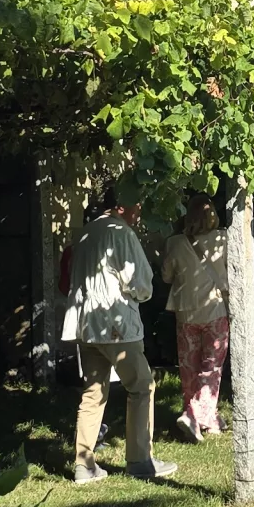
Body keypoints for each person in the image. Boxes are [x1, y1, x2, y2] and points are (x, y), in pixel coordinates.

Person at [62, 185, 177, 483]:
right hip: (115, 324)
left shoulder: (85, 232)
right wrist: (141, 293)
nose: (139, 212)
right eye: (136, 206)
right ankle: (140, 460)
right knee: (141, 386)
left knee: (93, 392)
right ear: (121, 207)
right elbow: (140, 281)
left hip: (85, 323)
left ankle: (83, 465)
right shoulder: (120, 232)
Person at [162, 193, 230, 441]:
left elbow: (167, 276)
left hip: (185, 313)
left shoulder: (175, 242)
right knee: (211, 367)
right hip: (215, 312)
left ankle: (206, 417)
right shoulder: (223, 238)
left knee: (189, 367)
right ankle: (194, 414)